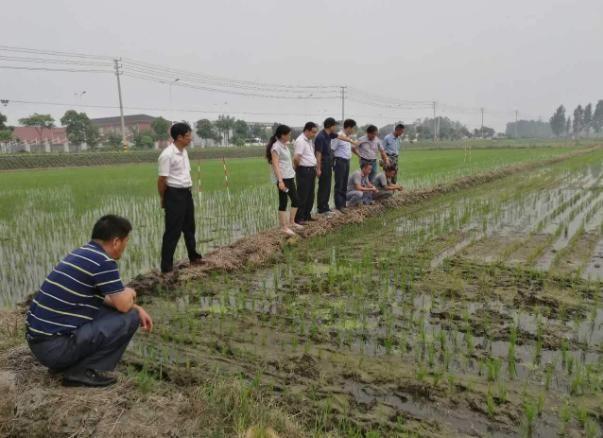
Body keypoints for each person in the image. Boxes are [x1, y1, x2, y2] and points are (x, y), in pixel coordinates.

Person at [25, 215, 153, 387]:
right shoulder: (103, 262)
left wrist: (136, 306)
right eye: (126, 241)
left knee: (122, 310)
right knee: (130, 318)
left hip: (41, 344)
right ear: (116, 242)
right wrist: (131, 292)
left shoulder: (82, 253)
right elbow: (123, 304)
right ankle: (79, 371)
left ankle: (68, 365)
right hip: (54, 348)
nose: (126, 246)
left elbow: (110, 299)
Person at [158, 122, 203, 274]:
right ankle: (166, 267)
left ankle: (194, 257)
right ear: (179, 137)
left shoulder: (183, 151)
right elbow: (162, 180)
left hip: (186, 193)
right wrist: (163, 198)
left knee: (189, 227)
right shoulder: (167, 155)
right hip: (174, 194)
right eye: (188, 136)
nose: (191, 138)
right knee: (173, 231)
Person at [266, 124, 303, 236]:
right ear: (282, 135)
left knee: (295, 200)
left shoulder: (284, 145)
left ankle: (291, 222)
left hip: (289, 176)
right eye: (288, 134)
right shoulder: (276, 147)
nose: (290, 135)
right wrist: (280, 181)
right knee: (285, 201)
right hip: (283, 179)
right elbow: (276, 165)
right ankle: (284, 227)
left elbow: (286, 161)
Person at [314, 117, 357, 215]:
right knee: (328, 186)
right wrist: (318, 168)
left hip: (332, 163)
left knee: (330, 186)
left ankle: (328, 207)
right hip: (329, 163)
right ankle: (325, 208)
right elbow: (319, 153)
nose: (336, 127)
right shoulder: (321, 137)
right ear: (330, 126)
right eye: (334, 125)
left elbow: (340, 137)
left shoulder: (330, 134)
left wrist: (351, 141)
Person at [293, 122, 319, 225]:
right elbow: (296, 158)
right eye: (313, 132)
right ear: (307, 130)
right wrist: (299, 168)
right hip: (304, 170)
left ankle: (307, 215)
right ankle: (299, 218)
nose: (314, 134)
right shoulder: (300, 141)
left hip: (310, 170)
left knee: (310, 195)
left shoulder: (309, 140)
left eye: (315, 132)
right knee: (303, 195)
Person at [332, 119, 357, 213]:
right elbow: (332, 149)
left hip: (346, 162)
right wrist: (333, 163)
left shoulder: (348, 137)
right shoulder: (339, 136)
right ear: (349, 127)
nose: (353, 131)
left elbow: (349, 149)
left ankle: (343, 204)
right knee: (339, 184)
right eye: (353, 128)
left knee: (344, 183)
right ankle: (339, 206)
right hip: (339, 161)